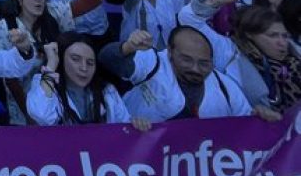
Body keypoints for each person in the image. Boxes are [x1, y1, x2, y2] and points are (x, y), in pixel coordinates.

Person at [178, 0, 299, 116]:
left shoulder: (294, 54)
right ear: (250, 34)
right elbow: (189, 20)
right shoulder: (230, 52)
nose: (282, 42)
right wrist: (215, 2)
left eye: (284, 36)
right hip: (249, 129)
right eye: (272, 35)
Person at [99, 26, 253, 122]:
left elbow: (247, 123)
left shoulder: (225, 86)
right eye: (186, 60)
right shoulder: (152, 63)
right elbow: (106, 58)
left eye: (204, 63)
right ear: (170, 52)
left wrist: (261, 118)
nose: (195, 69)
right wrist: (128, 47)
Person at [26, 32, 150, 129]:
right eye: (76, 59)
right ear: (61, 60)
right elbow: (40, 114)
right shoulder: (46, 85)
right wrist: (52, 63)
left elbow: (123, 126)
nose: (84, 68)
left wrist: (135, 124)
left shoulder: (107, 91)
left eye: (90, 62)